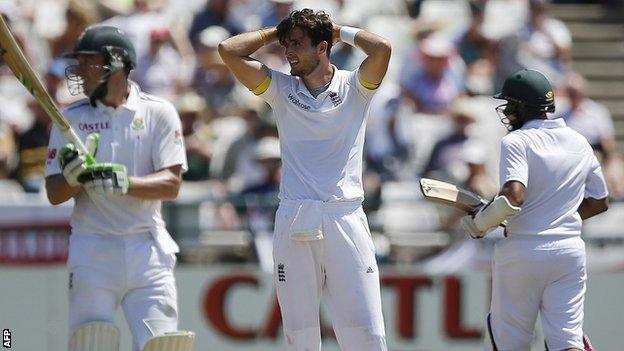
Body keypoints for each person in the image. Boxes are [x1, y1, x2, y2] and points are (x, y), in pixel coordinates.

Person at [218, 9, 391, 351]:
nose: (288, 52)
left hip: (344, 216)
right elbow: (228, 50)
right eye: (286, 45)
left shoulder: (356, 87)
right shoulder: (281, 89)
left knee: (366, 333)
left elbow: (382, 48)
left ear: (323, 47)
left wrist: (339, 29)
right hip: (295, 216)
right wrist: (277, 32)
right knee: (300, 336)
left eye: (297, 44)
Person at [44, 26, 190, 351]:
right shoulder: (71, 119)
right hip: (92, 248)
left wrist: (123, 182)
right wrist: (72, 177)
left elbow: (171, 184)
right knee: (91, 343)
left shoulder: (158, 112)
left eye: (88, 62)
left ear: (116, 61)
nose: (79, 71)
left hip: (147, 249)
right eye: (77, 63)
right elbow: (54, 194)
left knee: (162, 346)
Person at [460, 69, 608, 351]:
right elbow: (600, 202)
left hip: (522, 252)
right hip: (569, 251)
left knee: (511, 342)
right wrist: (557, 218)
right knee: (567, 341)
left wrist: (480, 224)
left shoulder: (517, 141)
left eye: (510, 106)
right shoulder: (579, 141)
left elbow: (513, 196)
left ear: (520, 106)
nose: (507, 113)